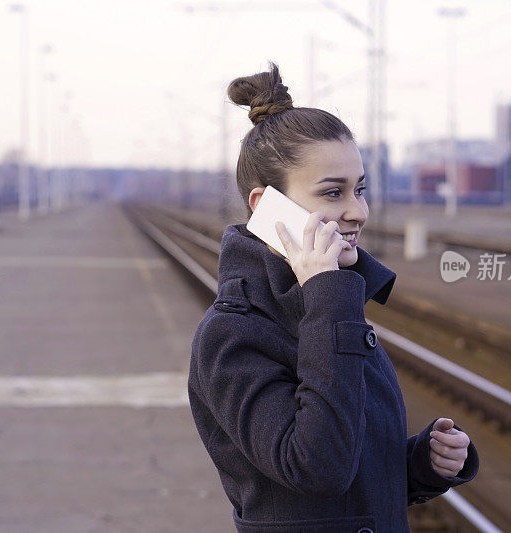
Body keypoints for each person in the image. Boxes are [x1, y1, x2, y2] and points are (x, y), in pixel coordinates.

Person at [187, 61, 478, 533]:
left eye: (359, 189)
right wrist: (328, 297)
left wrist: (421, 464)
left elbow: (346, 473)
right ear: (265, 207)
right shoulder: (234, 333)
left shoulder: (328, 304)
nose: (358, 212)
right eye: (332, 193)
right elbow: (315, 467)